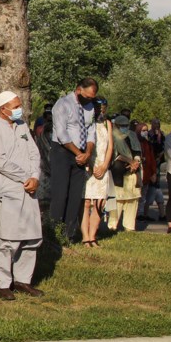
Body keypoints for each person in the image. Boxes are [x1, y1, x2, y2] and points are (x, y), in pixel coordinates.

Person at [0, 91, 44, 300]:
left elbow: (34, 153)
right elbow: (0, 162)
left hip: (30, 190)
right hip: (7, 192)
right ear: (3, 109)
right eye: (15, 106)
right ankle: (2, 283)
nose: (19, 109)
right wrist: (25, 176)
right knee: (5, 240)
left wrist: (35, 176)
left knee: (30, 238)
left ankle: (23, 280)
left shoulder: (22, 126)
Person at [49, 78, 98, 240]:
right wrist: (78, 153)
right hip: (63, 151)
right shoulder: (62, 104)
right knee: (60, 194)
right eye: (88, 96)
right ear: (78, 90)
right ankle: (54, 233)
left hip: (82, 154)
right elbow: (62, 134)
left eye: (92, 97)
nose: (90, 99)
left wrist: (87, 153)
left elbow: (91, 130)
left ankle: (68, 234)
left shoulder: (90, 107)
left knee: (75, 195)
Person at [81, 98, 112, 247]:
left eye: (103, 107)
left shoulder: (107, 124)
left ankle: (93, 235)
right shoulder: (87, 123)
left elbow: (110, 147)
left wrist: (105, 165)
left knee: (99, 203)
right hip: (89, 166)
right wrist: (90, 165)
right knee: (87, 202)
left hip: (102, 166)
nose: (101, 110)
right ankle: (85, 236)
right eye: (98, 107)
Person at [107, 115, 142, 232]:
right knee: (117, 200)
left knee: (133, 199)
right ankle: (112, 226)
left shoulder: (132, 135)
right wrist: (129, 161)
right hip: (119, 171)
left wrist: (136, 162)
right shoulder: (112, 136)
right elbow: (114, 154)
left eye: (126, 125)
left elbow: (137, 150)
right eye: (122, 126)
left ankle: (129, 226)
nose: (124, 128)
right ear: (116, 125)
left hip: (133, 171)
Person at [137, 122, 166, 221]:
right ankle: (136, 214)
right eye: (143, 130)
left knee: (144, 195)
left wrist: (153, 172)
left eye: (146, 130)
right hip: (138, 172)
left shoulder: (148, 143)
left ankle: (141, 214)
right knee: (137, 194)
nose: (145, 132)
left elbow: (152, 159)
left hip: (148, 173)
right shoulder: (135, 142)